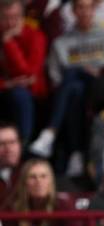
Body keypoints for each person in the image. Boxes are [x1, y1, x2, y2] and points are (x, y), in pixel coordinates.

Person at [30, 0, 104, 166]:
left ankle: (50, 132)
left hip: (99, 88)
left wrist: (94, 72)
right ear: (73, 11)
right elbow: (55, 77)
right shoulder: (61, 42)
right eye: (80, 8)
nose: (84, 12)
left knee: (73, 72)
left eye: (88, 7)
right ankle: (76, 154)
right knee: (75, 86)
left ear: (94, 10)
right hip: (72, 90)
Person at [0, 0, 47, 143]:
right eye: (5, 18)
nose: (10, 23)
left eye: (14, 17)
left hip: (31, 95)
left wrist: (8, 43)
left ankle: (23, 147)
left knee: (20, 95)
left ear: (22, 16)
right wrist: (7, 84)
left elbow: (28, 74)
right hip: (4, 89)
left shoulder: (35, 36)